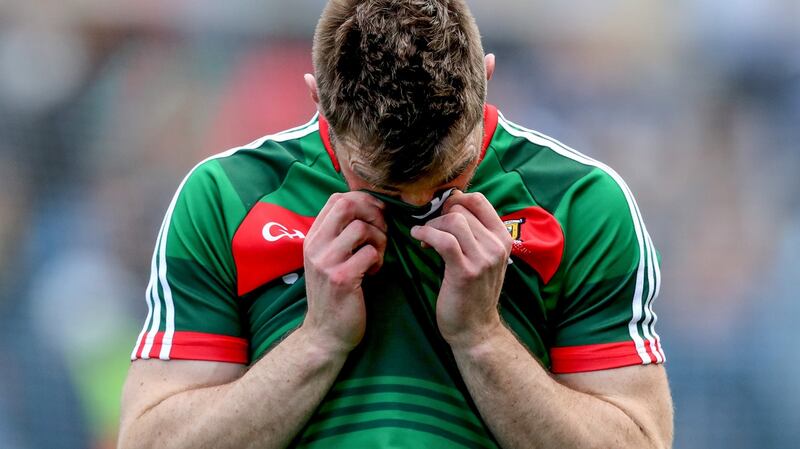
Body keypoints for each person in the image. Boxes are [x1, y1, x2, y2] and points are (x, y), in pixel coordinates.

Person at [118, 1, 673, 448]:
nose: (419, 205)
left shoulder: (581, 202)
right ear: (320, 105)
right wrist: (316, 342)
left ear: (487, 80)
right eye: (381, 186)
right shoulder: (226, 198)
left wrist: (483, 339)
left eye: (450, 173)